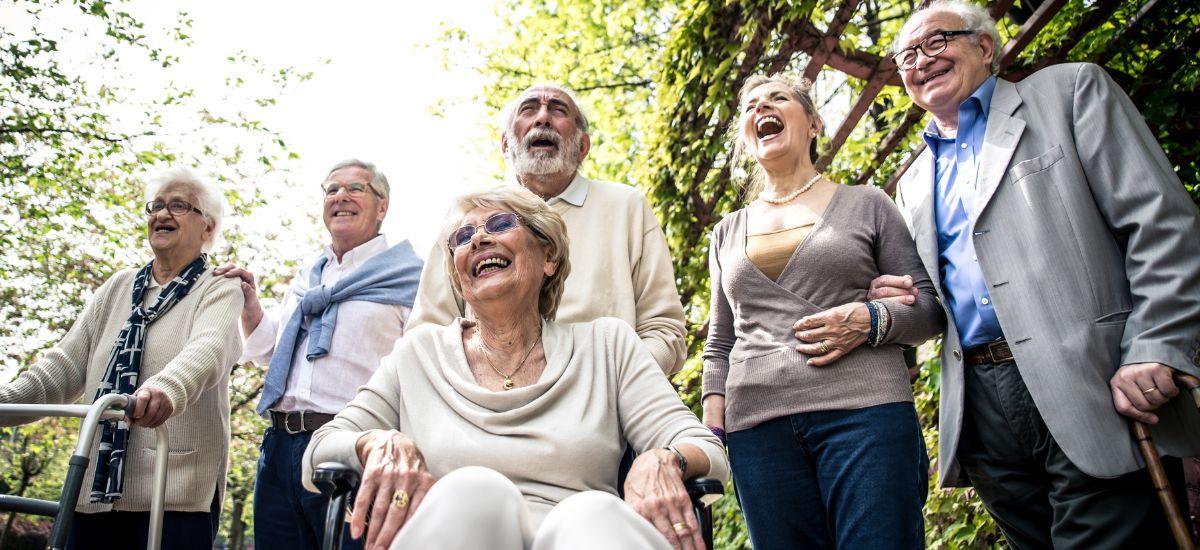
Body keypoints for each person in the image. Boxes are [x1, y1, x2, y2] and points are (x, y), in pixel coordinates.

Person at [872, 1, 1200, 546]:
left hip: (1091, 382)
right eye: (906, 54)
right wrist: (898, 295)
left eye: (935, 42)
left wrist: (1154, 345)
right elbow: (940, 298)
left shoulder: (1070, 93)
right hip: (980, 409)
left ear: (984, 46)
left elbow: (1162, 225)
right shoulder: (911, 181)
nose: (920, 61)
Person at [303, 186, 729, 550]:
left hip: (581, 535)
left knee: (592, 511)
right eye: (464, 236)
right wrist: (374, 444)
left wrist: (664, 458)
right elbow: (321, 449)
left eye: (501, 225)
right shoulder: (419, 353)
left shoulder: (608, 345)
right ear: (458, 275)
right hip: (455, 531)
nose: (478, 241)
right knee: (476, 492)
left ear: (548, 257)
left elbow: (704, 448)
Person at [700, 73, 945, 550]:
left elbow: (930, 310)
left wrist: (871, 320)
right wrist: (712, 433)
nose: (762, 108)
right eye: (751, 105)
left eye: (778, 98)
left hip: (865, 412)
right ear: (745, 137)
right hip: (758, 428)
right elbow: (720, 344)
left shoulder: (867, 204)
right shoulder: (726, 233)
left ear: (813, 123)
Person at [0, 167, 243, 549]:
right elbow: (62, 368)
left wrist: (165, 388)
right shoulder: (119, 287)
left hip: (173, 491)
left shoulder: (220, 287)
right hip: (94, 488)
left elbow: (207, 351)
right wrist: (5, 404)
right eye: (157, 205)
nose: (162, 215)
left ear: (208, 229)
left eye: (179, 206)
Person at [214, 159, 423, 549]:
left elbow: (421, 370)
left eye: (355, 188)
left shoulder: (411, 277)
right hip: (278, 451)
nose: (341, 196)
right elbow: (269, 351)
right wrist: (250, 304)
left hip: (354, 449)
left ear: (383, 206)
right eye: (332, 189)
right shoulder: (308, 276)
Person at [410, 83, 687, 375]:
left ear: (582, 146)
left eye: (558, 109)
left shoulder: (626, 206)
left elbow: (664, 330)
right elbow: (427, 336)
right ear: (505, 144)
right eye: (529, 109)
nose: (542, 118)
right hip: (490, 407)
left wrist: (616, 387)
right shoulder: (465, 222)